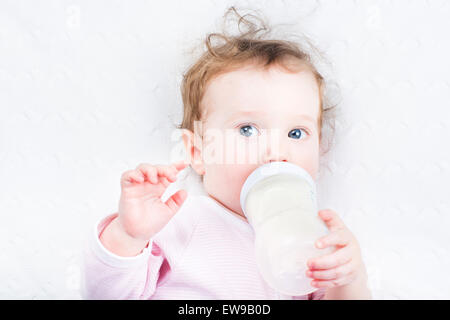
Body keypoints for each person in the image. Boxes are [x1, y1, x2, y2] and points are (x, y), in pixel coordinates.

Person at [81, 6, 371, 300]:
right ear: (198, 151)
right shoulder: (180, 220)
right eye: (247, 129)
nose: (276, 153)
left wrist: (348, 278)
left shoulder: (311, 237)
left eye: (296, 133)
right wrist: (128, 237)